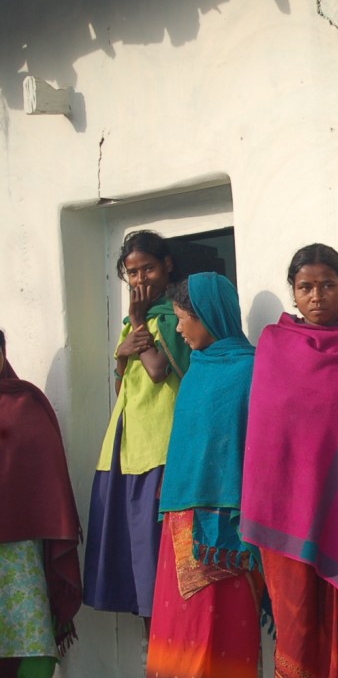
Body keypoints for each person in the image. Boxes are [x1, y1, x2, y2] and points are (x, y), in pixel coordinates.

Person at [241, 244, 338, 678]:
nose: (317, 295)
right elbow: (267, 436)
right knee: (297, 627)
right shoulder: (274, 344)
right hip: (285, 510)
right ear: (293, 291)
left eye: (327, 285)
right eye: (305, 287)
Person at [146, 273, 264, 678]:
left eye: (183, 318)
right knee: (179, 634)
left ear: (210, 315)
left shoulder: (252, 371)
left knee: (224, 633)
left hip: (231, 531)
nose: (178, 328)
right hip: (181, 527)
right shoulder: (195, 371)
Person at [84, 231, 190, 629]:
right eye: (132, 272)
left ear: (168, 265)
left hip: (162, 451)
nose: (140, 278)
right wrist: (122, 355)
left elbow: (159, 370)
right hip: (127, 452)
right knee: (140, 569)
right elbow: (125, 386)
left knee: (162, 566)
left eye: (148, 267)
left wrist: (141, 324)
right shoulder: (132, 324)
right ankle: (155, 660)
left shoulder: (176, 317)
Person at [0, 329, 82, 678]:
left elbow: (47, 481)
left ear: (3, 353)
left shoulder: (25, 404)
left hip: (19, 552)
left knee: (31, 641)